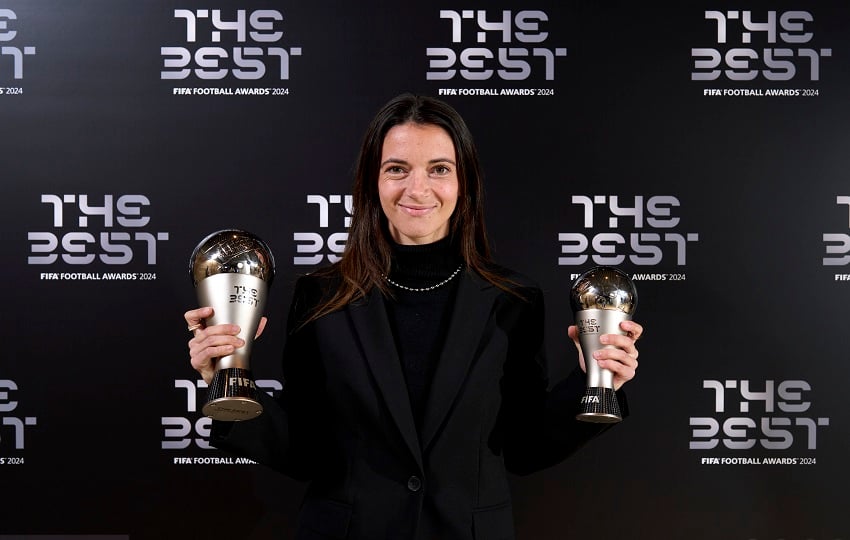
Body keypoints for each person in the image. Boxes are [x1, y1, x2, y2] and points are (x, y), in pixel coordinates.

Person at [184, 93, 642, 540]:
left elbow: (524, 448)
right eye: (396, 169)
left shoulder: (513, 298)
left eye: (439, 169)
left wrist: (597, 385)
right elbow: (305, 453)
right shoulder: (321, 296)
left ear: (464, 183)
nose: (416, 189)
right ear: (372, 182)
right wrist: (224, 382)